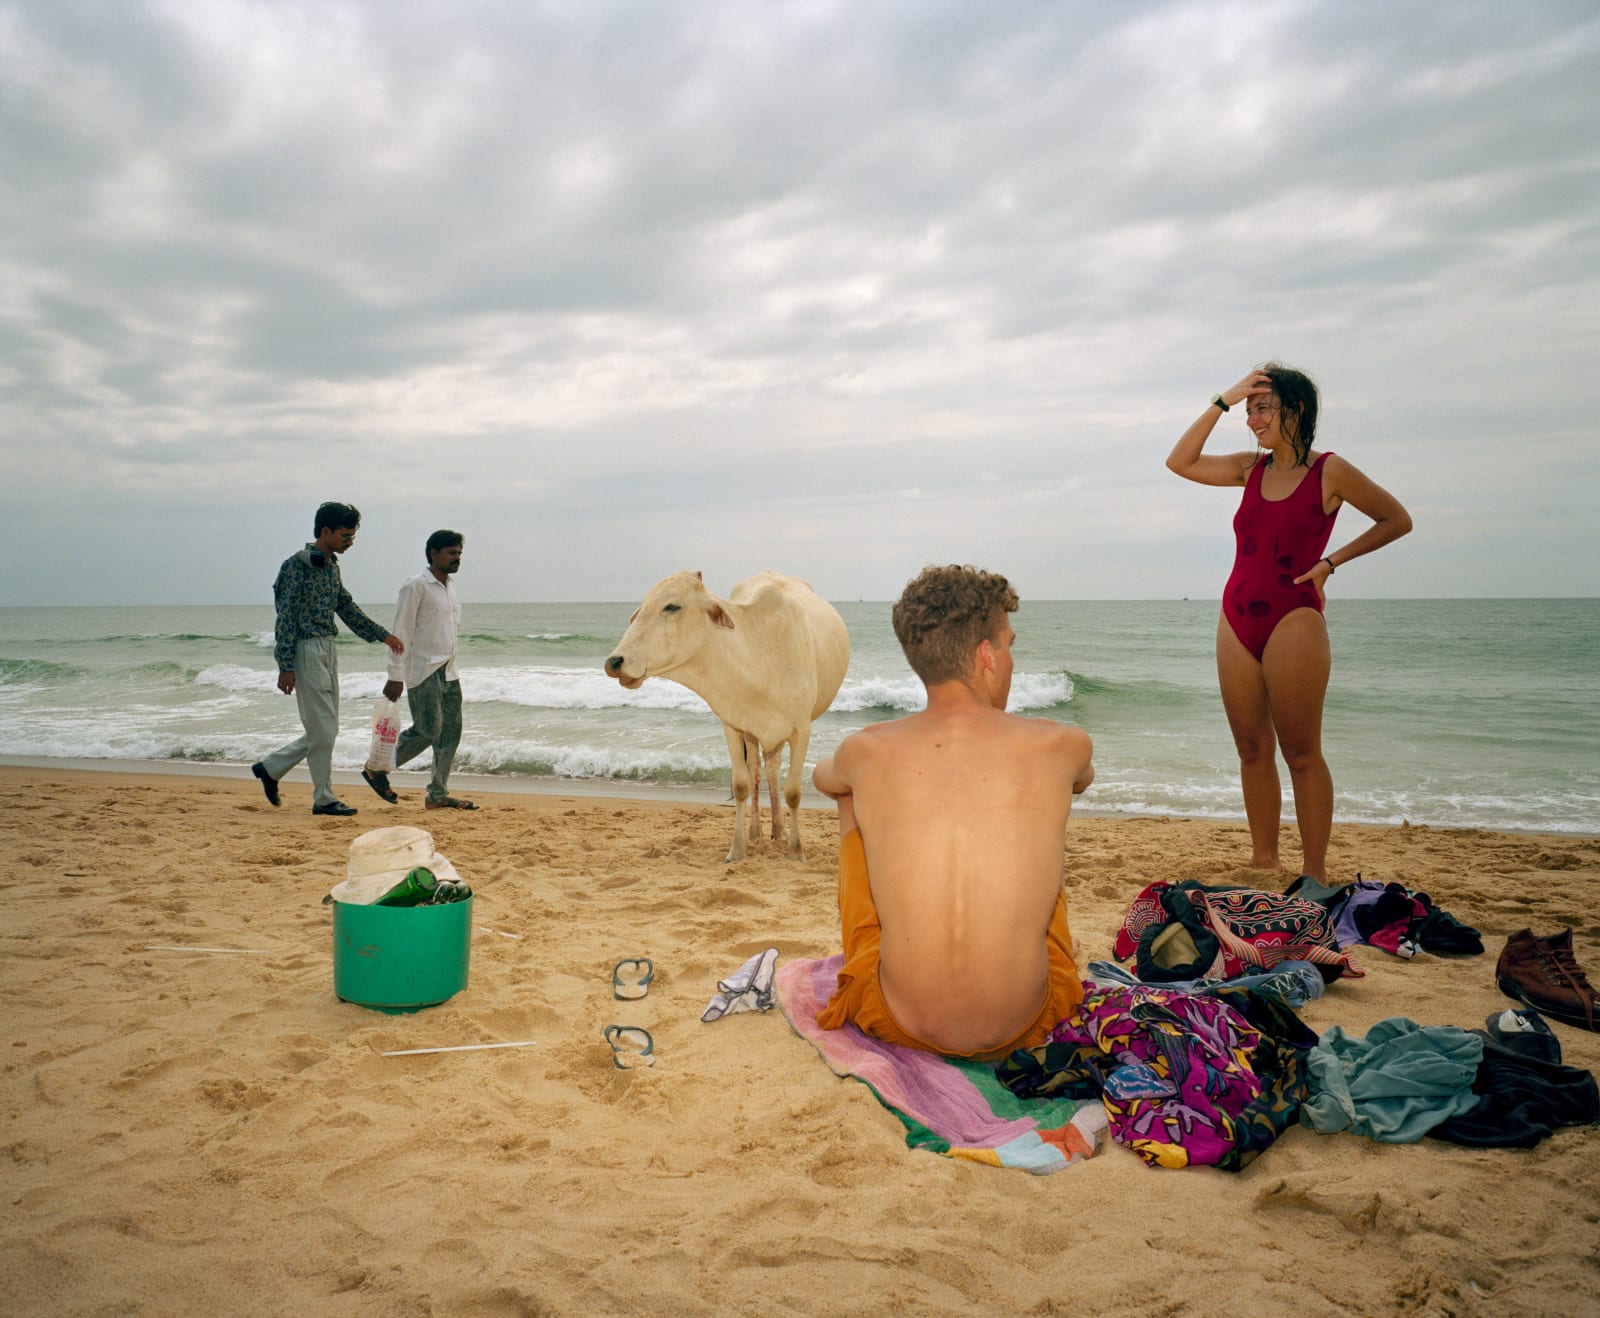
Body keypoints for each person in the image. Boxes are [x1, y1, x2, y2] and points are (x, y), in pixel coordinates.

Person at [811, 565, 1095, 1060]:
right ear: (987, 654)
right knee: (1039, 824)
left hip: (894, 1019)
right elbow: (1082, 780)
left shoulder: (867, 750)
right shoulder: (1061, 745)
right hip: (1031, 1020)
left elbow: (822, 778)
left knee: (851, 796)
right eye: (1008, 645)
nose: (1010, 659)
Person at [1166, 363, 1413, 883]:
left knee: (1301, 752)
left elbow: (1396, 519)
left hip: (1294, 617)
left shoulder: (1330, 471)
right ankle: (1263, 860)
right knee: (1252, 749)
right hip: (1235, 616)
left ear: (1294, 410)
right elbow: (1179, 461)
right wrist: (1223, 399)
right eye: (1249, 409)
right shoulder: (1247, 469)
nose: (1251, 419)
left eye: (1262, 407)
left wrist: (1330, 564)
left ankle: (1316, 872)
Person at [252, 502, 403, 817]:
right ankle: (322, 797)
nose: (351, 542)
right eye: (346, 536)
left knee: (326, 728)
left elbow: (345, 606)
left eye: (352, 536)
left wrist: (381, 635)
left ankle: (271, 768)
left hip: (328, 649)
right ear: (326, 531)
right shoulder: (296, 565)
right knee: (324, 730)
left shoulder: (332, 565)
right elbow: (286, 617)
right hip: (305, 649)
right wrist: (286, 666)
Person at [364, 530, 476, 811]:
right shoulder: (416, 586)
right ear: (433, 553)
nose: (456, 558)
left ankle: (437, 794)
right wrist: (395, 675)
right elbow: (401, 632)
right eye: (451, 553)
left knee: (451, 733)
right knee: (427, 730)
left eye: (459, 553)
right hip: (423, 669)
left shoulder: (449, 587)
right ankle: (376, 768)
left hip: (449, 670)